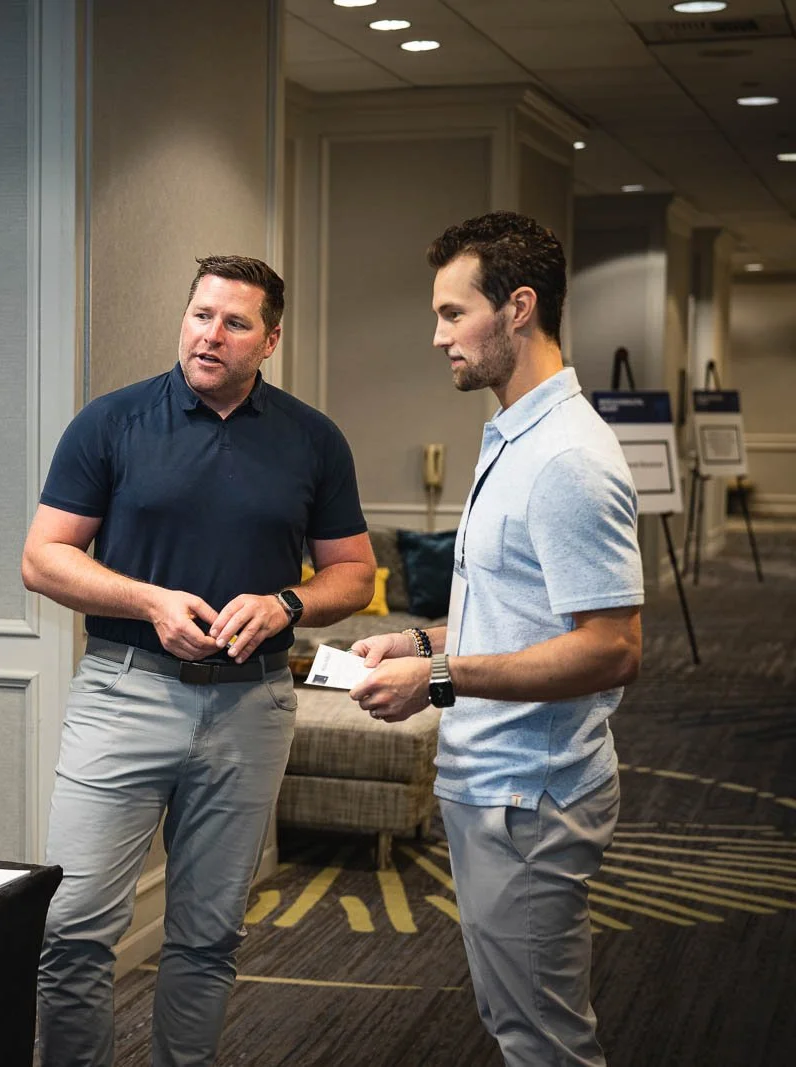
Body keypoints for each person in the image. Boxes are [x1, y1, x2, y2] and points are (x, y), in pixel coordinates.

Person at [23, 255, 375, 1066]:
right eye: (200, 315)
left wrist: (288, 603)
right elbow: (43, 559)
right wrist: (149, 600)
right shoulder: (111, 422)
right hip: (124, 692)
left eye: (235, 322)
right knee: (73, 929)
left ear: (270, 338)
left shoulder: (313, 439)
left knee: (208, 935)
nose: (210, 334)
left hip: (251, 708)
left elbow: (351, 571)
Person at [349, 211, 643, 1067]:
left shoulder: (565, 460)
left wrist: (438, 676)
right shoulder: (516, 434)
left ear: (519, 308)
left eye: (452, 313)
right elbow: (525, 607)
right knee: (515, 1018)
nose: (436, 335)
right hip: (499, 785)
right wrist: (419, 641)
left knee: (542, 1041)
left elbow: (612, 647)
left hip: (531, 794)